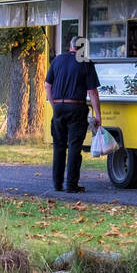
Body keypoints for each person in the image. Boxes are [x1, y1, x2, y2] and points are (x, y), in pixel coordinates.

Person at [44, 33, 102, 193]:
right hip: (76, 108)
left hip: (59, 109)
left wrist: (54, 105)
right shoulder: (85, 63)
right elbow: (92, 92)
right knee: (75, 147)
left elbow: (47, 85)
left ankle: (57, 184)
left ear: (70, 46)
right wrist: (98, 115)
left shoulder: (58, 60)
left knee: (59, 146)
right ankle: (71, 184)